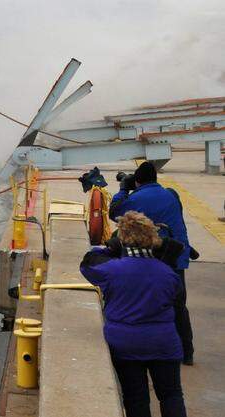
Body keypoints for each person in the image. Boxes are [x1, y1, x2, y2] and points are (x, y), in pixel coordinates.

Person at [81, 212, 187, 417]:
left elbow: (87, 264)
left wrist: (111, 250)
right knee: (171, 395)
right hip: (163, 342)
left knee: (135, 398)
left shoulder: (112, 270)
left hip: (125, 343)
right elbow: (176, 295)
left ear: (122, 238)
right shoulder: (167, 273)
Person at [109, 161, 194, 364]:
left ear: (137, 181)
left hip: (157, 257)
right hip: (177, 254)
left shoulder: (135, 198)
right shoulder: (171, 194)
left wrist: (123, 189)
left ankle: (150, 349)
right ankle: (187, 352)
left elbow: (114, 213)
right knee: (178, 305)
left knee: (150, 305)